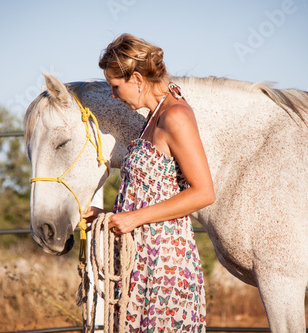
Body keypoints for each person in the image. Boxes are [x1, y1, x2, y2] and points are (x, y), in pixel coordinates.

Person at [83, 33, 215, 333]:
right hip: (140, 258)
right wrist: (108, 217)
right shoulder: (153, 119)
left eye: (116, 87)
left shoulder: (176, 116)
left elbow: (204, 192)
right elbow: (151, 192)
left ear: (138, 79)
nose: (114, 96)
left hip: (163, 262)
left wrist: (133, 219)